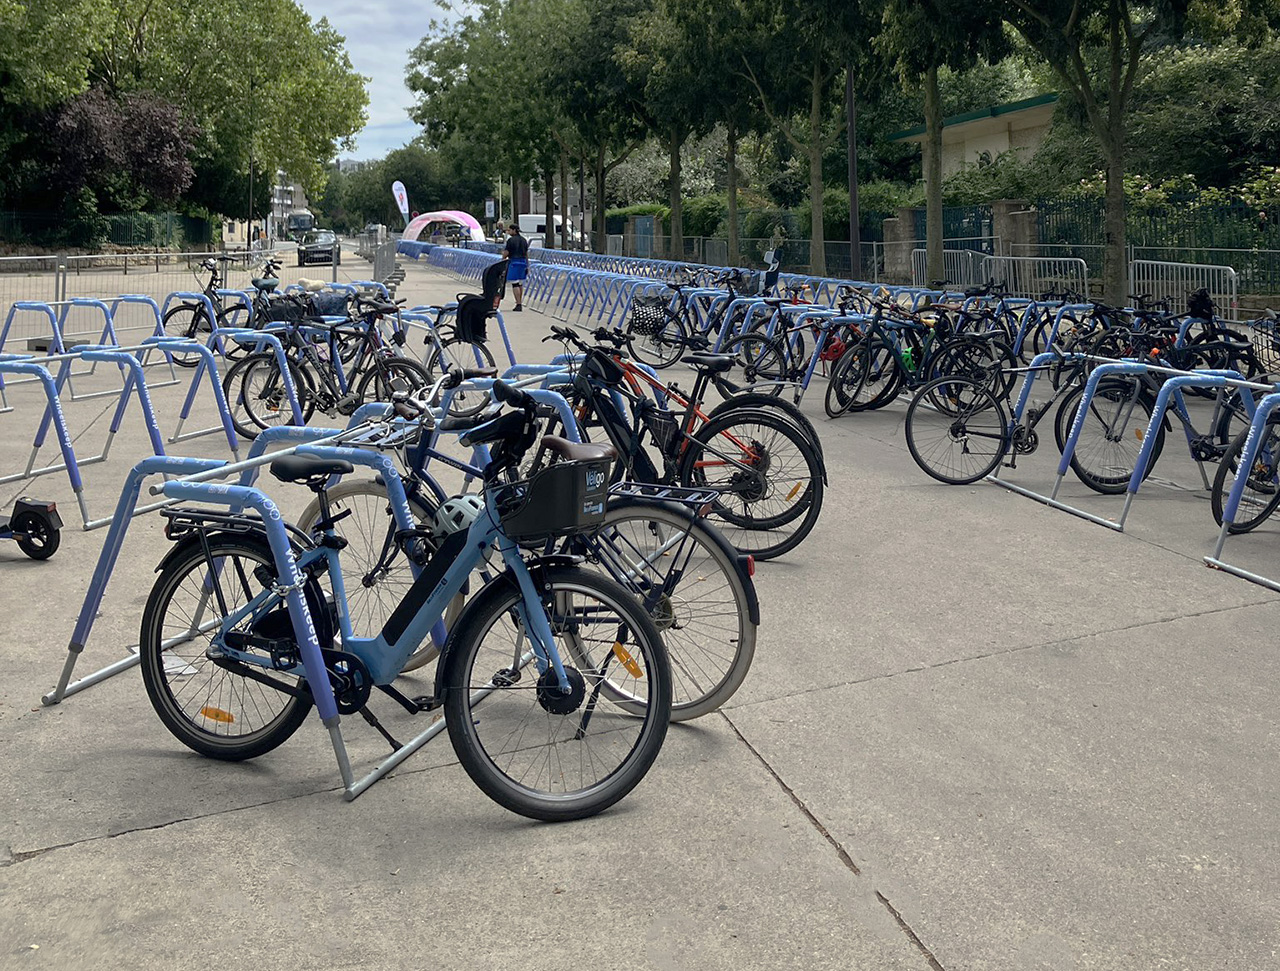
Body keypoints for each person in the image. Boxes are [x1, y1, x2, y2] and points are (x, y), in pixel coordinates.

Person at [503, 222, 529, 311]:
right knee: (520, 284)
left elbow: (507, 252)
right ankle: (519, 302)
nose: (509, 232)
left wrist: (503, 258)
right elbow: (526, 253)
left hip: (514, 262)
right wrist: (527, 265)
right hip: (523, 263)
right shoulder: (524, 240)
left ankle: (518, 304)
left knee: (515, 284)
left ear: (514, 230)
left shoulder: (510, 240)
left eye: (510, 230)